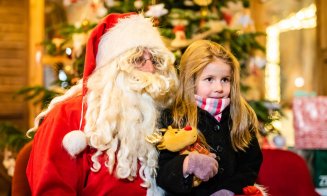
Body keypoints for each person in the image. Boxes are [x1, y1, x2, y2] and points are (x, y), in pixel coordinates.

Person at [26, 13, 178, 195]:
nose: (151, 69)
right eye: (138, 59)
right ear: (111, 69)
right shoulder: (69, 115)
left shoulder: (163, 113)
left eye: (155, 60)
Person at [156, 40, 263, 195]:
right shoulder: (174, 117)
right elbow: (163, 172)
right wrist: (187, 164)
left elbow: (250, 165)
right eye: (209, 79)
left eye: (225, 79)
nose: (219, 88)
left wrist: (228, 190)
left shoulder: (240, 115)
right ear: (191, 81)